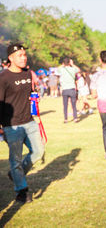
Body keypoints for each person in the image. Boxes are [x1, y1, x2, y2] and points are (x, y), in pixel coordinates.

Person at [0, 43, 45, 203]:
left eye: (25, 54)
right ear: (11, 58)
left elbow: (30, 92)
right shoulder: (3, 77)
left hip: (30, 121)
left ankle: (15, 175)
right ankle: (21, 190)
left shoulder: (27, 73)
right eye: (20, 55)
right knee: (15, 159)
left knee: (38, 152)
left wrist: (35, 96)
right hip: (12, 126)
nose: (24, 57)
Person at [58, 57, 80, 123]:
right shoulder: (73, 69)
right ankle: (75, 118)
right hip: (72, 88)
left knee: (65, 105)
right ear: (69, 63)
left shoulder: (62, 69)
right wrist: (72, 64)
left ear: (63, 63)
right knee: (73, 105)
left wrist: (63, 64)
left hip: (65, 89)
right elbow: (78, 70)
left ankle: (65, 119)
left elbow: (57, 69)